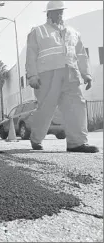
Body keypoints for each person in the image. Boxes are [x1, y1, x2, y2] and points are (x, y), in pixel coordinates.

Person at [25, 1, 99, 153]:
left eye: (61, 11)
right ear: (48, 14)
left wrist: (87, 74)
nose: (59, 14)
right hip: (47, 77)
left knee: (76, 107)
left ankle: (77, 143)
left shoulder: (73, 32)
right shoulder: (38, 31)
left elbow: (81, 55)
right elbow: (31, 55)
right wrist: (32, 76)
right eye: (56, 11)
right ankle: (36, 138)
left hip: (71, 75)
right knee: (46, 109)